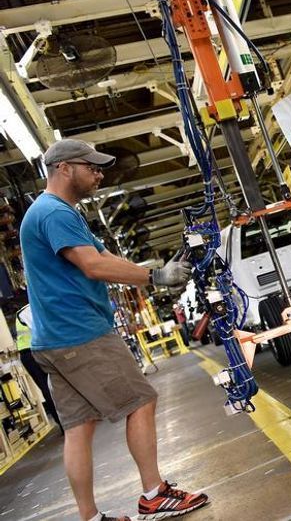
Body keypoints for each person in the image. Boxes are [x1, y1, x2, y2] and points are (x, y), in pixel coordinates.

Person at [20, 139, 208, 521]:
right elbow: (93, 265)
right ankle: (154, 495)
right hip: (79, 334)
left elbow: (104, 257)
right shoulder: (54, 213)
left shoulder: (59, 212)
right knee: (141, 400)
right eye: (92, 167)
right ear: (65, 168)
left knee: (79, 428)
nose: (100, 174)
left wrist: (150, 272)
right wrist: (156, 276)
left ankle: (89, 517)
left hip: (53, 339)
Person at [13, 303, 63, 432]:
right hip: (32, 353)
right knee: (48, 388)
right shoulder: (28, 310)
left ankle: (66, 421)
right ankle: (63, 423)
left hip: (37, 351)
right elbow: (42, 331)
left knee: (55, 386)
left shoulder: (36, 307)